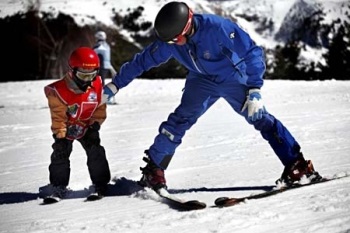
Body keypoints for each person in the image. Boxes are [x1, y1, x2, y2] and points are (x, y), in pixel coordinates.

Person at [103, 2, 321, 191]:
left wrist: (254, 88)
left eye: (173, 40)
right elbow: (142, 61)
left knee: (259, 117)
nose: (169, 44)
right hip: (201, 80)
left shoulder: (219, 28)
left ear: (186, 28)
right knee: (179, 121)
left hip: (232, 77)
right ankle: (154, 170)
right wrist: (114, 85)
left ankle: (297, 166)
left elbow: (251, 51)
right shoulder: (170, 40)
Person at [44, 47, 111, 198]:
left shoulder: (98, 85)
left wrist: (95, 125)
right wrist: (60, 135)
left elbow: (100, 107)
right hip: (66, 127)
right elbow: (58, 117)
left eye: (92, 75)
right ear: (72, 71)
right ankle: (58, 186)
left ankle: (101, 184)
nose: (88, 80)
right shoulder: (58, 91)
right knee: (60, 153)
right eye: (83, 75)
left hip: (87, 125)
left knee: (96, 150)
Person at [93, 30, 117, 105]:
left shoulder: (98, 46)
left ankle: (103, 98)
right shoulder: (107, 45)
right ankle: (104, 97)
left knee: (99, 82)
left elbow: (94, 54)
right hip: (107, 66)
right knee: (101, 81)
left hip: (100, 66)